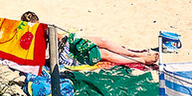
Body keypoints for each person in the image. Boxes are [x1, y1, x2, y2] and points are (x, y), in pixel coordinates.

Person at [20, 12, 158, 66]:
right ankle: (141, 60)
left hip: (69, 45)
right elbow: (45, 57)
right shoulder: (28, 41)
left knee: (102, 40)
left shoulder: (44, 29)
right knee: (103, 53)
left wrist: (63, 38)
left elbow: (62, 37)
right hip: (65, 56)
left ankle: (134, 54)